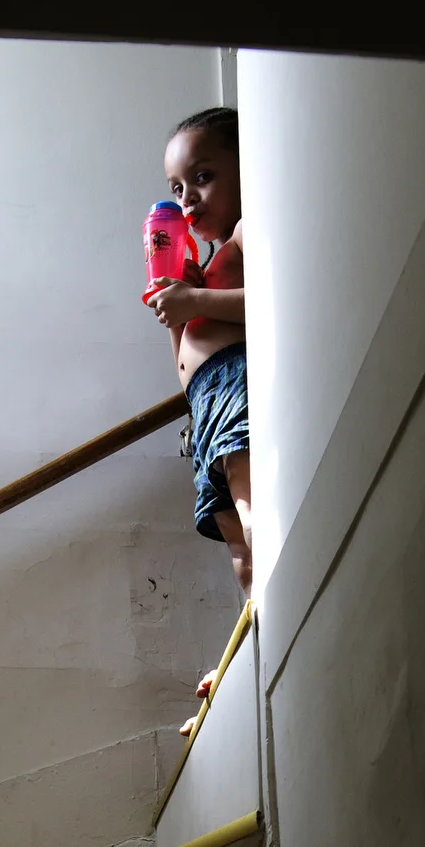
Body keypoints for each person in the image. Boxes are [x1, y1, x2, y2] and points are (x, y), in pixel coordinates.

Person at [147, 105, 249, 730]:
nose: (188, 200)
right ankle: (249, 631)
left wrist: (197, 298)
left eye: (204, 177)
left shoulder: (247, 236)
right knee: (232, 539)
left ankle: (274, 604)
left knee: (249, 507)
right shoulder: (206, 264)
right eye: (177, 189)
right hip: (204, 407)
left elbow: (272, 296)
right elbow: (184, 364)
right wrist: (179, 307)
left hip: (233, 389)